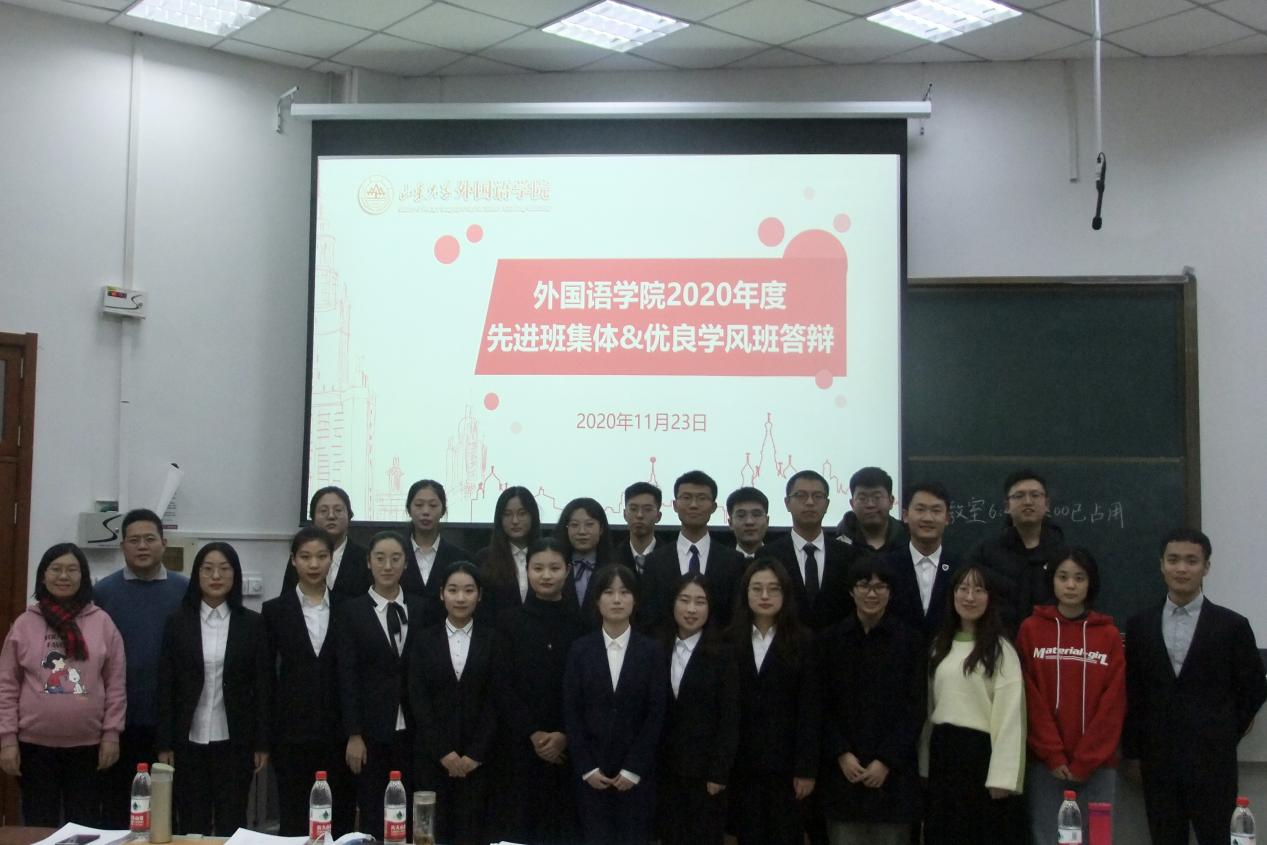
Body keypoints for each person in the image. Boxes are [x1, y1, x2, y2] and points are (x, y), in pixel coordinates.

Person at [1122, 529, 1267, 845]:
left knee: (1217, 837)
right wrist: (1133, 752)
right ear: (1162, 565)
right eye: (1173, 560)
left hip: (1213, 761)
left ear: (1206, 567)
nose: (1182, 569)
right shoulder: (1139, 625)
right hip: (1157, 761)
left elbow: (1254, 687)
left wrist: (1223, 730)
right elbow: (1133, 692)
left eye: (1191, 561)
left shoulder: (1232, 626)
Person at [0, 543, 125, 827]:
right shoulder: (25, 624)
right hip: (33, 748)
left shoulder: (102, 623)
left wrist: (111, 734)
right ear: (43, 576)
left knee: (84, 827)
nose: (64, 576)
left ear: (83, 577)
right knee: (38, 826)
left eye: (72, 569)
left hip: (89, 748)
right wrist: (7, 741)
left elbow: (116, 684)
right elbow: (6, 686)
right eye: (56, 569)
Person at [156, 542, 271, 835]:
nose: (216, 576)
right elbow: (166, 685)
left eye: (224, 569)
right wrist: (164, 743)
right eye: (208, 569)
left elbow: (263, 687)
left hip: (235, 740)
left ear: (235, 575)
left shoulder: (253, 624)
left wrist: (261, 743)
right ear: (197, 575)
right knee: (191, 821)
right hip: (188, 740)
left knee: (232, 820)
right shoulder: (177, 622)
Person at [1016, 546, 1125, 845]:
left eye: (1079, 578)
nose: (1071, 585)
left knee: (1097, 840)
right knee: (1048, 838)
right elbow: (1029, 698)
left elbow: (1113, 703)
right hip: (1046, 765)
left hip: (1098, 767)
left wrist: (1086, 760)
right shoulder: (1031, 630)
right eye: (1063, 577)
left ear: (1091, 583)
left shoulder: (1109, 635)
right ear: (1052, 581)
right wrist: (1052, 754)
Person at [817, 558, 925, 845]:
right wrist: (841, 753)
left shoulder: (910, 642)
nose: (872, 593)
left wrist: (886, 760)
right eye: (864, 585)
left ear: (891, 592)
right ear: (851, 591)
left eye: (880, 586)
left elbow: (915, 708)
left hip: (893, 778)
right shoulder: (830, 641)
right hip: (843, 774)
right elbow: (820, 705)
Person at [94, 508, 189, 828]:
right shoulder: (104, 592)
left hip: (171, 723)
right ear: (122, 546)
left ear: (164, 543)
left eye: (150, 539)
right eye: (134, 540)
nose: (142, 546)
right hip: (118, 723)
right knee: (117, 810)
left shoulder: (185, 590)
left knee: (166, 813)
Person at [920, 564, 1026, 845]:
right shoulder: (939, 646)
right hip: (943, 756)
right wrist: (924, 764)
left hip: (980, 758)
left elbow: (1010, 717)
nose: (970, 597)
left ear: (990, 598)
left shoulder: (1001, 651)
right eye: (963, 589)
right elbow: (929, 711)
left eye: (979, 590)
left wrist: (1003, 777)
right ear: (953, 595)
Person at [563, 564, 667, 845]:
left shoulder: (652, 651)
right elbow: (572, 712)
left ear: (635, 600)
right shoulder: (580, 649)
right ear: (597, 600)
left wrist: (634, 768)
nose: (617, 600)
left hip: (637, 776)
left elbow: (656, 713)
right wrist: (587, 767)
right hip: (591, 774)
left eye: (625, 592)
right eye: (608, 592)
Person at [262, 528, 356, 837]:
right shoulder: (274, 611)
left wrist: (355, 732)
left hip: (338, 734)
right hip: (290, 734)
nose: (313, 564)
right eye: (305, 557)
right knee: (294, 817)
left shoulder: (349, 608)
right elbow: (266, 678)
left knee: (339, 817)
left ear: (331, 560)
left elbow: (353, 675)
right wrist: (265, 738)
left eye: (321, 556)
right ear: (293, 561)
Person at [336, 531, 426, 839]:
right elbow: (347, 675)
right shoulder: (351, 610)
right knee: (374, 810)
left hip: (414, 730)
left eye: (395, 558)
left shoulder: (422, 608)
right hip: (370, 731)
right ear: (368, 562)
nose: (387, 566)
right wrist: (354, 734)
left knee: (411, 812)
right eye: (380, 558)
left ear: (406, 563)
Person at [497, 538, 586, 844]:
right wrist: (533, 734)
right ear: (527, 570)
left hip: (569, 750)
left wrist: (564, 735)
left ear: (568, 570)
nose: (546, 575)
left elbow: (586, 691)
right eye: (538, 568)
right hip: (518, 748)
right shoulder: (509, 622)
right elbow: (503, 685)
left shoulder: (583, 624)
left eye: (554, 568)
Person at [727, 558, 820, 845]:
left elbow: (810, 709)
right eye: (757, 588)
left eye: (773, 588)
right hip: (741, 765)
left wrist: (806, 769)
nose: (765, 596)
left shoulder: (804, 641)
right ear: (746, 593)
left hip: (787, 768)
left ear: (785, 593)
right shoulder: (729, 640)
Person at [409, 561, 501, 845]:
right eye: (453, 590)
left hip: (479, 760)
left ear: (480, 595)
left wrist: (475, 754)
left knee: (473, 832)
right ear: (441, 594)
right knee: (433, 833)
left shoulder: (494, 640)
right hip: (432, 758)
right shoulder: (423, 639)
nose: (461, 598)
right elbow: (418, 699)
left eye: (469, 590)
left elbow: (496, 701)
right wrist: (443, 752)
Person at [655, 574, 740, 845]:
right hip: (664, 770)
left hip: (706, 774)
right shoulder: (656, 648)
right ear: (673, 603)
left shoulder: (724, 655)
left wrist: (719, 772)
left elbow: (730, 718)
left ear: (710, 607)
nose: (691, 609)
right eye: (684, 600)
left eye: (700, 602)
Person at [964, 469, 1066, 634]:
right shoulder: (984, 553)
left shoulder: (1063, 554)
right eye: (1019, 496)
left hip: (1050, 641)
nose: (1028, 501)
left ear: (1047, 504)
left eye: (1035, 495)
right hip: (997, 641)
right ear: (1007, 506)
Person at [640, 470, 744, 632]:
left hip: (719, 646)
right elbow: (649, 616)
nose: (694, 505)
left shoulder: (733, 561)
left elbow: (735, 616)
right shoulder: (654, 561)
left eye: (702, 498)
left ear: (714, 507)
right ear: (675, 505)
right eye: (686, 497)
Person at [766, 470, 855, 631]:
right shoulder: (769, 555)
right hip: (785, 641)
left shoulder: (848, 555)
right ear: (787, 503)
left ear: (827, 504)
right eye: (801, 496)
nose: (809, 502)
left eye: (818, 496)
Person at [887, 482, 959, 643]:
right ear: (905, 515)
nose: (928, 518)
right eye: (920, 509)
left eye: (936, 510)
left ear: (947, 518)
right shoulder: (887, 566)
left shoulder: (961, 568)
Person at [401, 479, 475, 626]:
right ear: (408, 509)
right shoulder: (396, 555)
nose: (426, 512)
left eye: (433, 505)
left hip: (445, 635)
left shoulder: (460, 557)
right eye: (419, 505)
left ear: (443, 510)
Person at [280, 486, 370, 600]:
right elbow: (286, 600)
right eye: (323, 511)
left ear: (349, 516)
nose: (331, 516)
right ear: (313, 518)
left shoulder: (365, 557)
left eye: (338, 510)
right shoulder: (302, 556)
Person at [475, 485, 541, 617]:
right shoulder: (484, 558)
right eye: (507, 514)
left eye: (522, 513)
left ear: (532, 516)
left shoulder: (546, 555)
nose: (515, 521)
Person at [556, 497, 614, 613]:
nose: (582, 531)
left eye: (589, 524)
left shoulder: (614, 565)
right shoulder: (555, 565)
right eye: (574, 525)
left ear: (601, 529)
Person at [835, 467, 906, 556]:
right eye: (862, 498)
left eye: (877, 497)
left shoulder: (908, 542)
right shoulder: (836, 545)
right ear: (852, 504)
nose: (870, 504)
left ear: (891, 501)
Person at [615, 481, 664, 578]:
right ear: (624, 514)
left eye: (647, 509)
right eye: (633, 509)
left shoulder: (673, 557)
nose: (639, 515)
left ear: (658, 516)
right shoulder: (611, 558)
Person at [725, 486, 770, 559]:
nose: (749, 522)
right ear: (730, 523)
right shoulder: (719, 560)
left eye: (756, 514)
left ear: (767, 521)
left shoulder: (781, 559)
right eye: (741, 515)